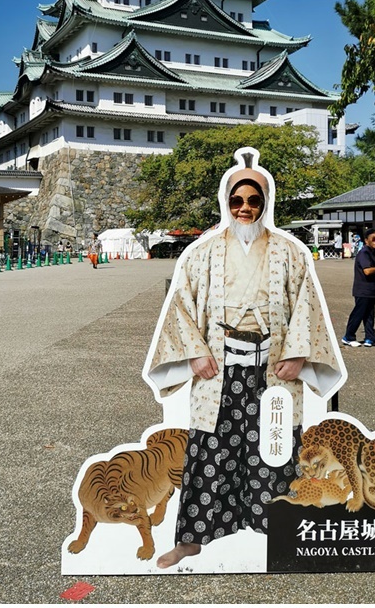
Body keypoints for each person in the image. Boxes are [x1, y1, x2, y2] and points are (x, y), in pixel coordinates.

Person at [144, 148, 342, 569]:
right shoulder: (203, 253)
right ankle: (193, 538)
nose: (246, 208)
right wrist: (195, 354)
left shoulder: (289, 253)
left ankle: (279, 528)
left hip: (273, 365)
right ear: (227, 202)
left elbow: (306, 307)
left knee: (276, 445)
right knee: (210, 448)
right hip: (219, 364)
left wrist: (298, 355)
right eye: (238, 200)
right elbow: (181, 305)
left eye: (254, 201)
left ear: (265, 204)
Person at [341, 228, 375, 348]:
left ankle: (370, 338)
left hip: (371, 289)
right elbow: (366, 271)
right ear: (366, 240)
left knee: (369, 314)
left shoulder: (373, 252)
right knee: (359, 313)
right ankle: (348, 336)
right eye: (374, 239)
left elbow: (371, 270)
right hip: (362, 289)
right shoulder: (364, 252)